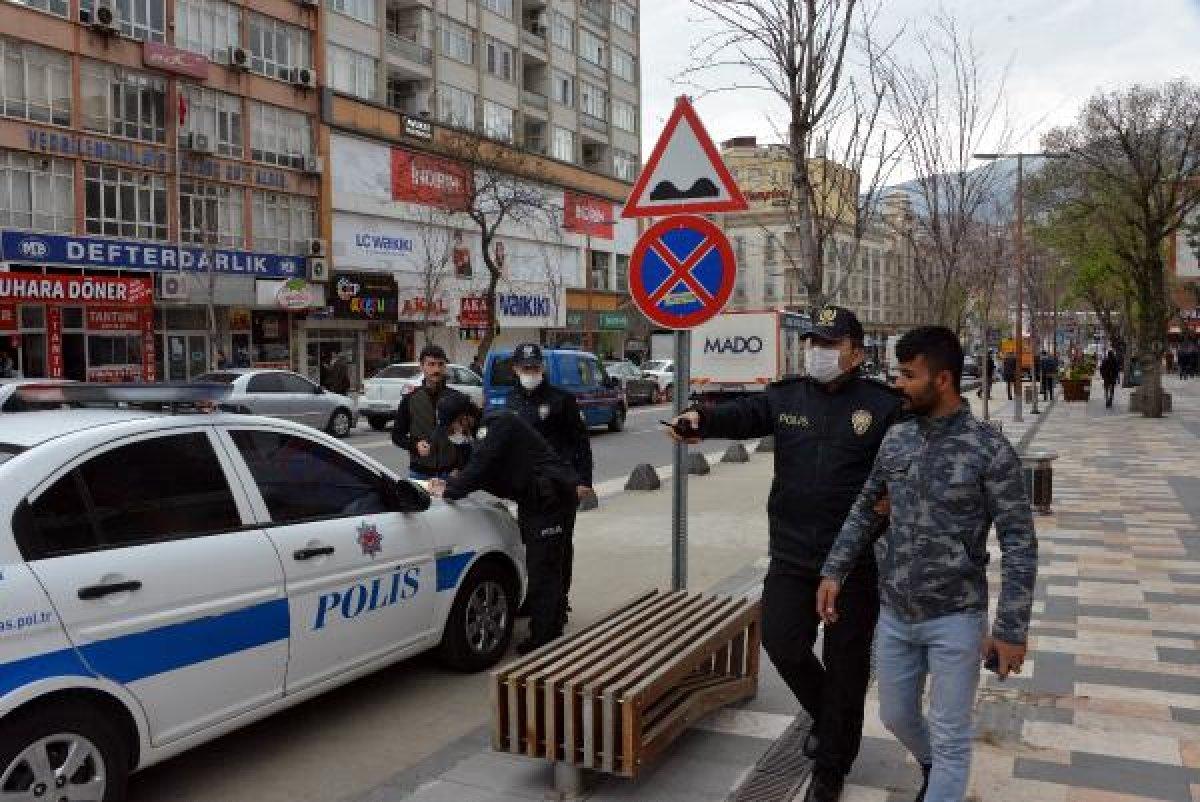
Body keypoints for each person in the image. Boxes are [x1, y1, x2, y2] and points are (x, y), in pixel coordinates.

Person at [667, 306, 904, 802]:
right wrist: (700, 418)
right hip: (793, 554)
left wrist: (900, 497)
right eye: (814, 343)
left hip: (853, 562)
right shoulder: (787, 396)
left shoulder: (883, 406)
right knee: (783, 643)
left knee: (846, 666)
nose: (818, 352)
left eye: (830, 344)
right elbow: (742, 414)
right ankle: (829, 717)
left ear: (856, 353)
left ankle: (831, 768)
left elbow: (917, 454)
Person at [817, 326, 1037, 802]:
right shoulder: (896, 440)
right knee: (895, 715)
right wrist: (834, 570)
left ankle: (943, 779)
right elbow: (865, 509)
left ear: (942, 380)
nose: (898, 384)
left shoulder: (988, 449)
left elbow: (1019, 542)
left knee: (951, 734)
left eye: (908, 375)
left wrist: (1011, 629)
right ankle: (936, 769)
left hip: (956, 617)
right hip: (896, 613)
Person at [427, 394, 578, 655]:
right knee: (547, 563)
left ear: (465, 418)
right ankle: (551, 615)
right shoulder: (483, 433)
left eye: (452, 428)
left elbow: (481, 467)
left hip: (550, 499)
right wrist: (452, 482)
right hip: (535, 499)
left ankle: (545, 636)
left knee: (544, 568)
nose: (453, 435)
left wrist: (449, 490)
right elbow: (478, 470)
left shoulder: (499, 425)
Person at [506, 343, 594, 627]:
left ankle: (559, 600)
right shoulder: (511, 400)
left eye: (534, 367)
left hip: (560, 488)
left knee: (559, 547)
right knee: (533, 548)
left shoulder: (561, 400)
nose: (530, 372)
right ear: (515, 369)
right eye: (525, 368)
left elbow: (581, 443)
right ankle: (536, 598)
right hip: (529, 489)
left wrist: (583, 480)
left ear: (542, 368)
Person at [392, 345, 469, 480]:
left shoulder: (457, 398)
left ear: (445, 366)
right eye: (431, 364)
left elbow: (467, 439)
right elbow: (397, 436)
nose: (436, 369)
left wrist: (460, 467)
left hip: (450, 474)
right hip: (419, 473)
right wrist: (415, 445)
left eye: (440, 364)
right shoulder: (410, 399)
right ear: (422, 366)